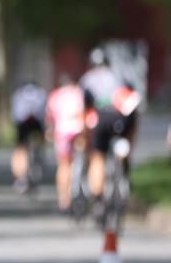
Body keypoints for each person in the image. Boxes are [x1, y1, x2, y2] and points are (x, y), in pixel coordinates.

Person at [79, 48, 141, 206]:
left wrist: (85, 136)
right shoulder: (119, 75)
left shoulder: (87, 79)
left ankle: (98, 201)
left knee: (98, 157)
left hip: (100, 117)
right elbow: (133, 101)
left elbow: (84, 109)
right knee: (127, 135)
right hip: (121, 116)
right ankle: (125, 166)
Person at [45, 74, 85, 211]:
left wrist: (50, 131)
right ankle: (82, 186)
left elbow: (50, 117)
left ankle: (64, 198)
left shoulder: (55, 95)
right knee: (84, 157)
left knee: (63, 164)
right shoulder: (79, 92)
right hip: (78, 129)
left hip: (62, 131)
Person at [10, 80, 47, 193]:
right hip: (37, 123)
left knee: (20, 149)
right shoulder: (41, 93)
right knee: (39, 144)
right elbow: (44, 112)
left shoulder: (18, 94)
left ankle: (20, 177)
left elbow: (15, 114)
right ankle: (39, 159)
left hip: (22, 123)